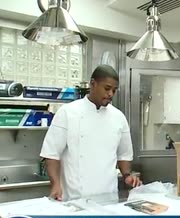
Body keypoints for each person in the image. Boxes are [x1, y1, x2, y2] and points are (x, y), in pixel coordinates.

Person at [40, 65, 142, 201]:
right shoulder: (68, 112)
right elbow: (51, 154)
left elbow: (123, 154)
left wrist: (127, 176)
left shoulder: (119, 117)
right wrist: (56, 185)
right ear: (93, 84)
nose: (111, 94)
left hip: (108, 198)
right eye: (107, 88)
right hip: (74, 198)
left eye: (114, 90)